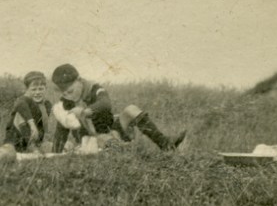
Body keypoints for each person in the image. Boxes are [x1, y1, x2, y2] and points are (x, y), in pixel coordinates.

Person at [50, 64, 186, 153]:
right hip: (91, 139)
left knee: (131, 109)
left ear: (80, 80)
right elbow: (62, 127)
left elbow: (105, 103)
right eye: (64, 94)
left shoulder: (95, 89)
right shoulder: (66, 101)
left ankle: (165, 144)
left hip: (112, 129)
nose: (69, 96)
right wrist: (55, 151)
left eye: (71, 91)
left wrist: (85, 111)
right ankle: (116, 149)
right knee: (104, 142)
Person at [5, 71, 53, 152]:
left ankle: (35, 146)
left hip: (36, 140)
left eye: (41, 89)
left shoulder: (46, 104)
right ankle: (30, 146)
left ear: (46, 89)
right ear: (27, 90)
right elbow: (20, 104)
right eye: (33, 89)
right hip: (16, 140)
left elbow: (42, 126)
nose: (37, 92)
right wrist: (31, 124)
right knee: (20, 112)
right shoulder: (22, 100)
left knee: (61, 146)